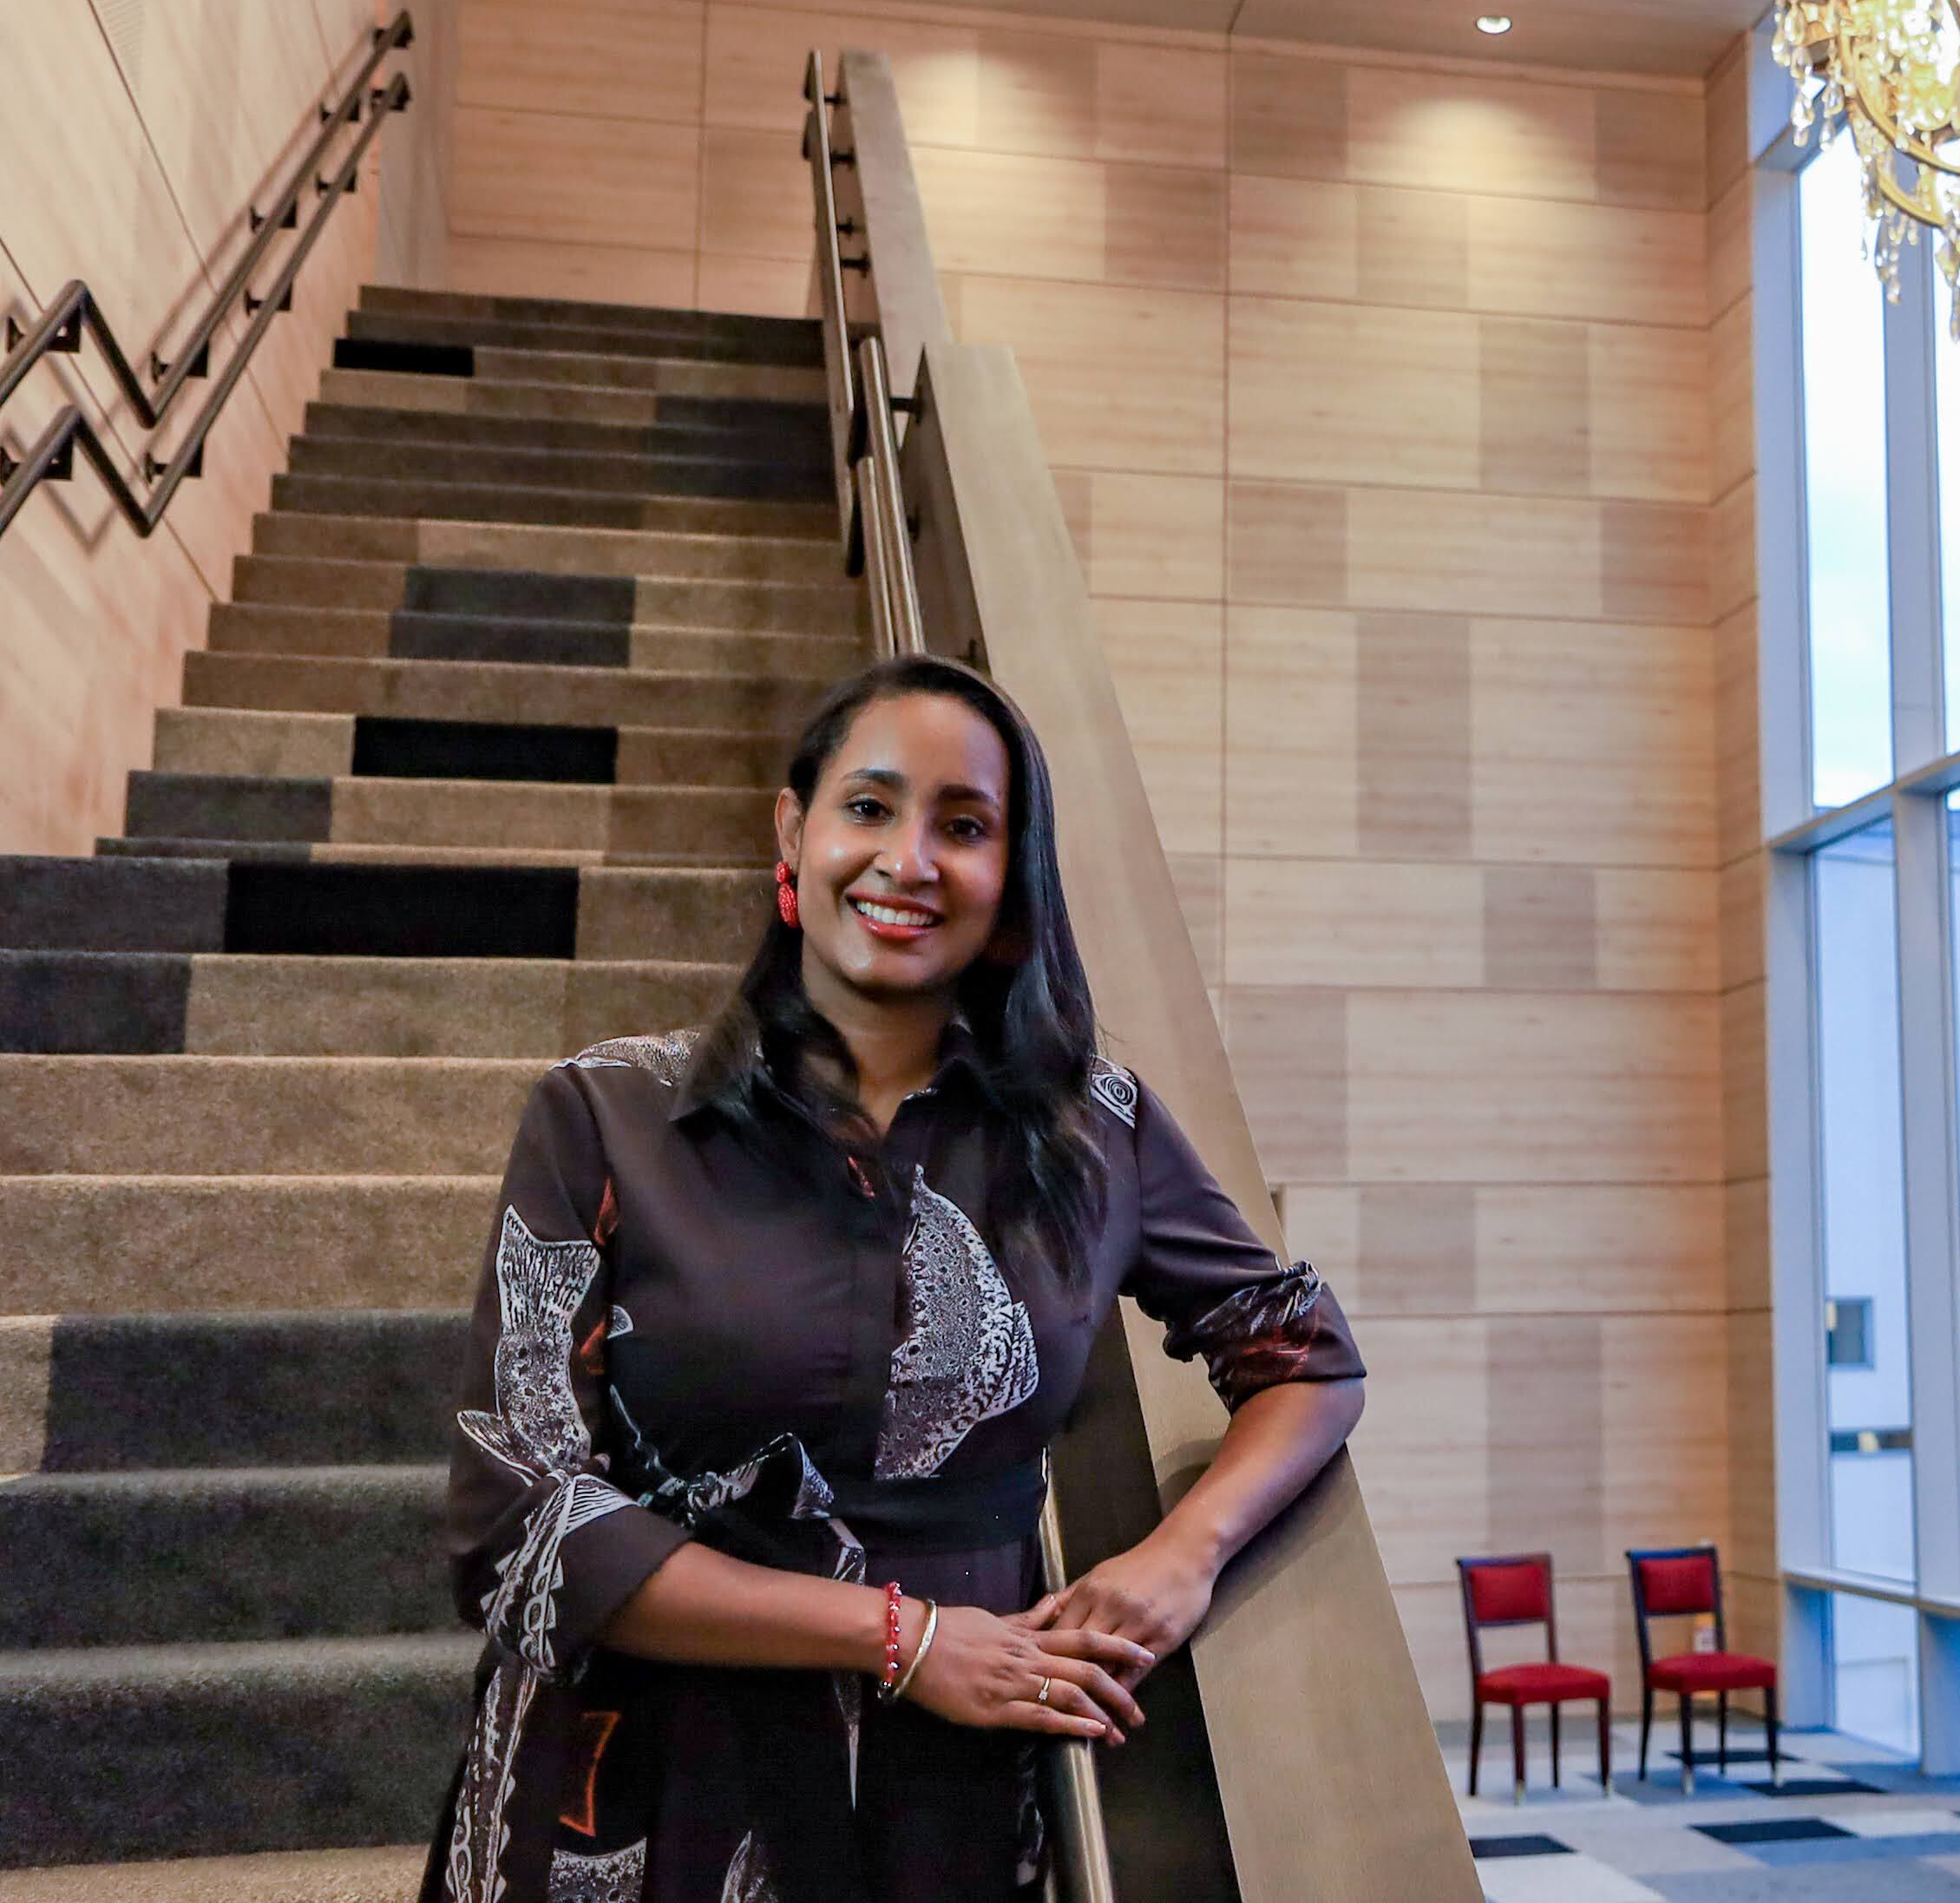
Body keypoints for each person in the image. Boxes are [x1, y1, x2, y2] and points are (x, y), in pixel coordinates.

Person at [423, 655, 1367, 1902]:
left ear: (1011, 877)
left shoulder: (1094, 1126)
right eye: (869, 807)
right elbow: (515, 1516)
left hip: (954, 1783)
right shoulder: (608, 1114)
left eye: (963, 827)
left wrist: (1183, 1554)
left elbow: (1305, 1356)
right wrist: (899, 1636)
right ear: (793, 830)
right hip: (650, 1769)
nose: (908, 860)